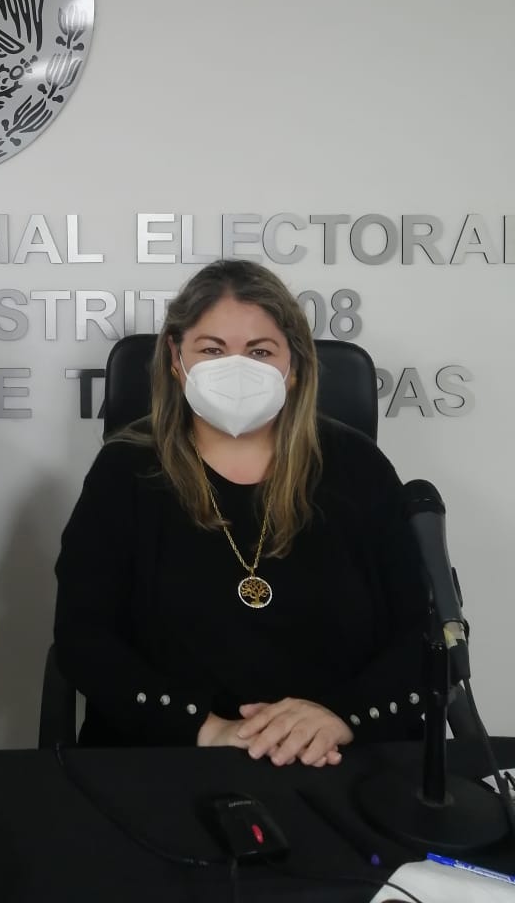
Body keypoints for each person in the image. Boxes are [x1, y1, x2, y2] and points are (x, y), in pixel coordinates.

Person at [54, 259, 426, 766]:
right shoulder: (124, 472)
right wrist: (208, 730)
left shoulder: (359, 467)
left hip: (338, 759)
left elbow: (425, 631)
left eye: (260, 351)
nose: (235, 369)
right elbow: (83, 637)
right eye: (211, 350)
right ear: (175, 359)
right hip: (166, 759)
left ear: (294, 367)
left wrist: (341, 717)